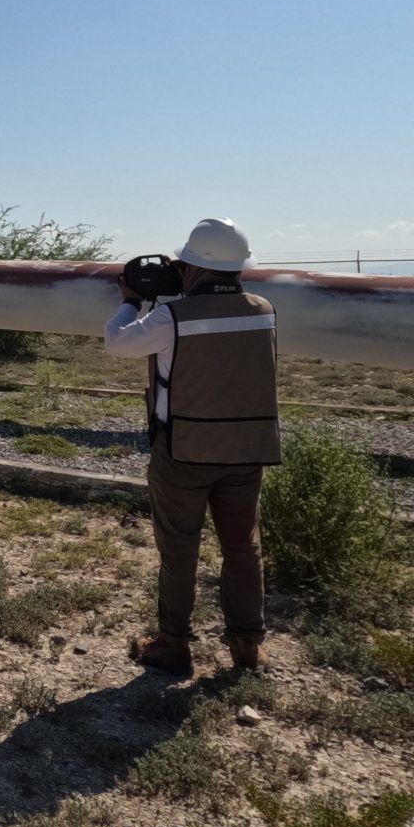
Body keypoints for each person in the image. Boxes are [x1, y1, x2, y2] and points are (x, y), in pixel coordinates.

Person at [103, 218, 280, 677]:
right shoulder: (263, 310)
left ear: (196, 268)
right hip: (247, 448)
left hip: (184, 449)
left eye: (184, 265)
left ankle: (173, 644)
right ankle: (248, 647)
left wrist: (131, 301)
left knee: (180, 550)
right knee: (243, 548)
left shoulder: (172, 318)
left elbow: (118, 343)